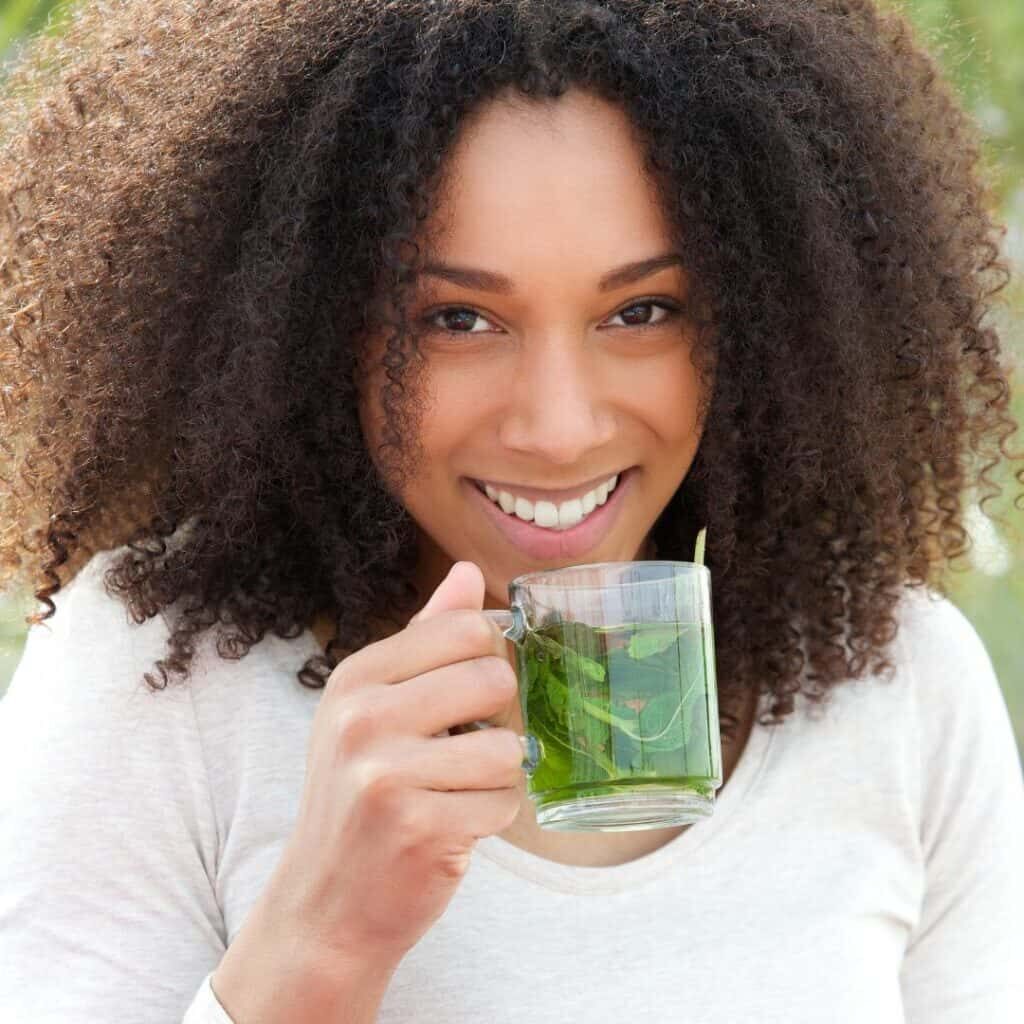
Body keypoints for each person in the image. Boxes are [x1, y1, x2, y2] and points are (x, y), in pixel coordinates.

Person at [0, 0, 1022, 1020]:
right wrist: (321, 942)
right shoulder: (159, 684)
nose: (558, 427)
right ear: (310, 327)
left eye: (641, 311)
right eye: (458, 319)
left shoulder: (901, 687)